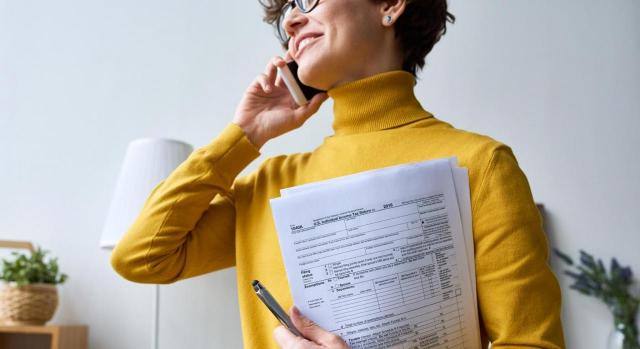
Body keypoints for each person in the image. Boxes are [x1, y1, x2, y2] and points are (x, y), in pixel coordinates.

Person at [110, 0, 566, 348]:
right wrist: (243, 136)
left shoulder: (481, 165)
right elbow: (140, 257)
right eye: (288, 9)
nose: (291, 21)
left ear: (389, 5)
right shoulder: (269, 183)